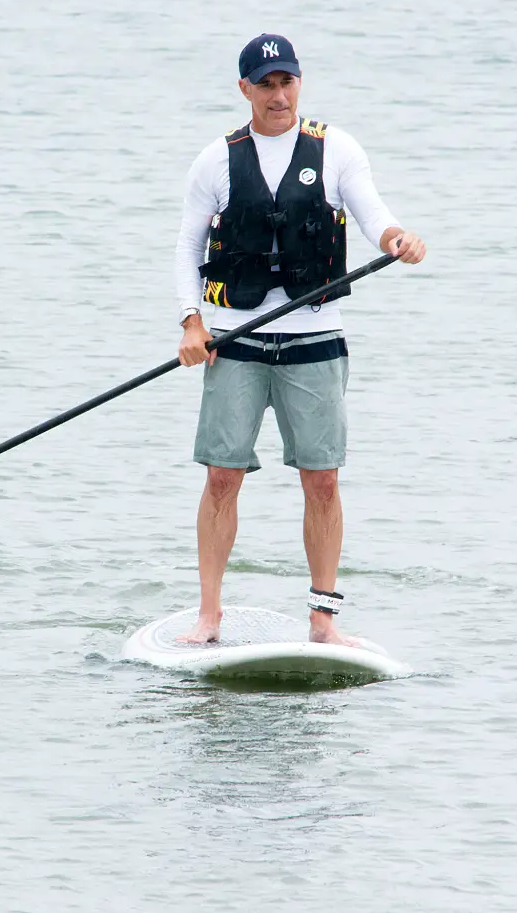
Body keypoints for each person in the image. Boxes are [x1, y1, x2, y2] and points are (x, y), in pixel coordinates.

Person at [173, 33, 426, 645]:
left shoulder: (337, 149)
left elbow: (372, 215)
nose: (278, 94)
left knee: (324, 479)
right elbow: (186, 247)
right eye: (265, 84)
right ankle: (210, 615)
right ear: (245, 89)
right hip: (236, 338)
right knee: (221, 477)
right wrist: (191, 320)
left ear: (299, 84)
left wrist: (397, 239)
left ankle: (323, 619)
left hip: (315, 339)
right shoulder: (215, 160)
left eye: (287, 81)